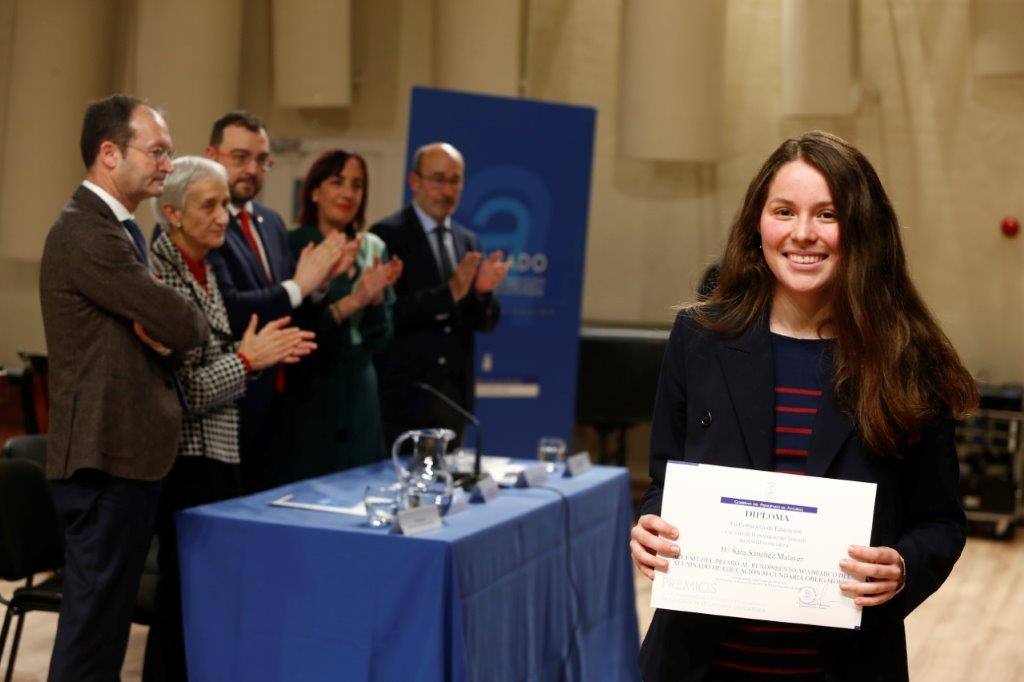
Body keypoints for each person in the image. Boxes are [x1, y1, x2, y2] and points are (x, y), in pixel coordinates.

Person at [629, 131, 977, 681]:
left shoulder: (908, 358)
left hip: (844, 666)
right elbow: (663, 482)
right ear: (757, 224)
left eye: (827, 214)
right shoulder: (699, 338)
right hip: (699, 664)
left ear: (862, 228)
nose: (802, 233)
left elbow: (940, 520)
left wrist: (904, 566)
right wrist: (650, 525)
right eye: (784, 211)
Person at [39, 94, 209, 681]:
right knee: (92, 640)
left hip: (124, 455)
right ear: (110, 154)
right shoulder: (85, 230)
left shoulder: (119, 229)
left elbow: (172, 327)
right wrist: (170, 320)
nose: (168, 164)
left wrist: (167, 322)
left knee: (106, 635)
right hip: (104, 457)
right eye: (157, 151)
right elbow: (187, 323)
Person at [142, 157, 316, 680]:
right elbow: (186, 389)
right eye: (209, 205)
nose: (223, 217)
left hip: (217, 455)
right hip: (181, 462)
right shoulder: (160, 275)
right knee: (180, 602)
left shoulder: (206, 266)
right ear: (172, 213)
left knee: (207, 599)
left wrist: (253, 358)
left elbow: (215, 363)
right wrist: (247, 360)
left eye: (224, 204)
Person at [203, 111, 356, 492]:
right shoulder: (201, 221)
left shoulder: (270, 222)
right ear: (212, 155)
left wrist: (320, 283)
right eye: (240, 157)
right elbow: (228, 309)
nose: (252, 170)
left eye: (261, 160)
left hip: (281, 404)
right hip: (227, 406)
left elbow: (292, 308)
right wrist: (300, 286)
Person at [371, 142, 509, 448]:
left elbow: (484, 323)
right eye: (438, 179)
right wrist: (449, 293)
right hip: (404, 398)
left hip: (453, 399)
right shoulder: (387, 235)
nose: (447, 191)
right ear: (414, 181)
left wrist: (482, 293)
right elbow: (388, 315)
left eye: (455, 181)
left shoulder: (467, 240)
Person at [285, 150, 401, 478]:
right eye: (337, 182)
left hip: (361, 390)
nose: (348, 193)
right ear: (314, 192)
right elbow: (298, 330)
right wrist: (353, 300)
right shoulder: (294, 245)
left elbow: (381, 338)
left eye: (357, 185)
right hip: (311, 391)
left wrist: (375, 302)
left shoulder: (373, 247)